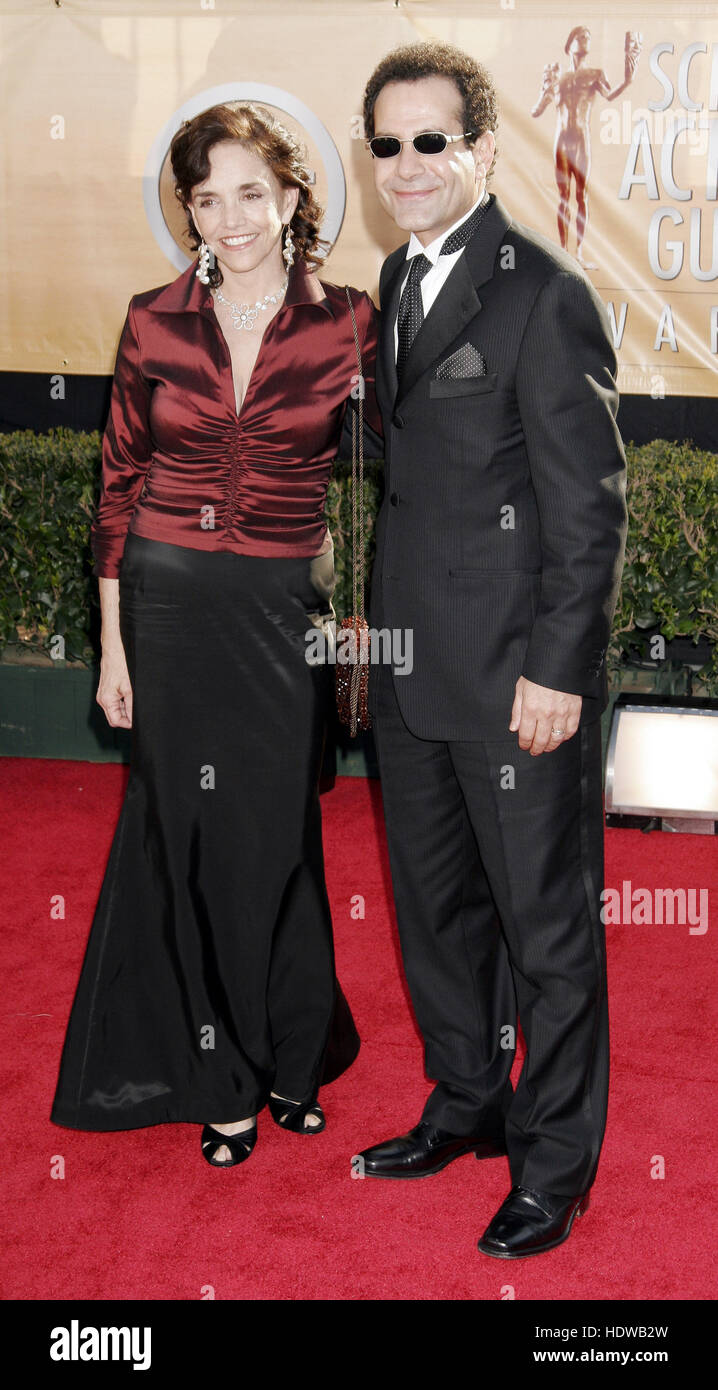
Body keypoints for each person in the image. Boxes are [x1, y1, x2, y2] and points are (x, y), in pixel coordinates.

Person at [50, 101, 381, 1168]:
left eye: (251, 192)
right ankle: (222, 1076)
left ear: (291, 197)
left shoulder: (350, 322)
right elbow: (115, 488)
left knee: (277, 834)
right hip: (166, 606)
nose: (230, 218)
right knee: (184, 839)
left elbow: (390, 476)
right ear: (187, 211)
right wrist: (112, 646)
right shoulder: (154, 318)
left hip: (282, 615)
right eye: (206, 198)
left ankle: (293, 1050)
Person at [355, 41, 627, 1258]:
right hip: (415, 676)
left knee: (547, 932)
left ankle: (555, 1165)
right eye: (386, 144)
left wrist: (557, 671)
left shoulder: (541, 290)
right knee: (435, 917)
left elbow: (587, 507)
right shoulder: (390, 281)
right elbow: (402, 492)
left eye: (430, 141)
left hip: (521, 684)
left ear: (478, 148)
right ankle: (466, 1100)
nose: (407, 165)